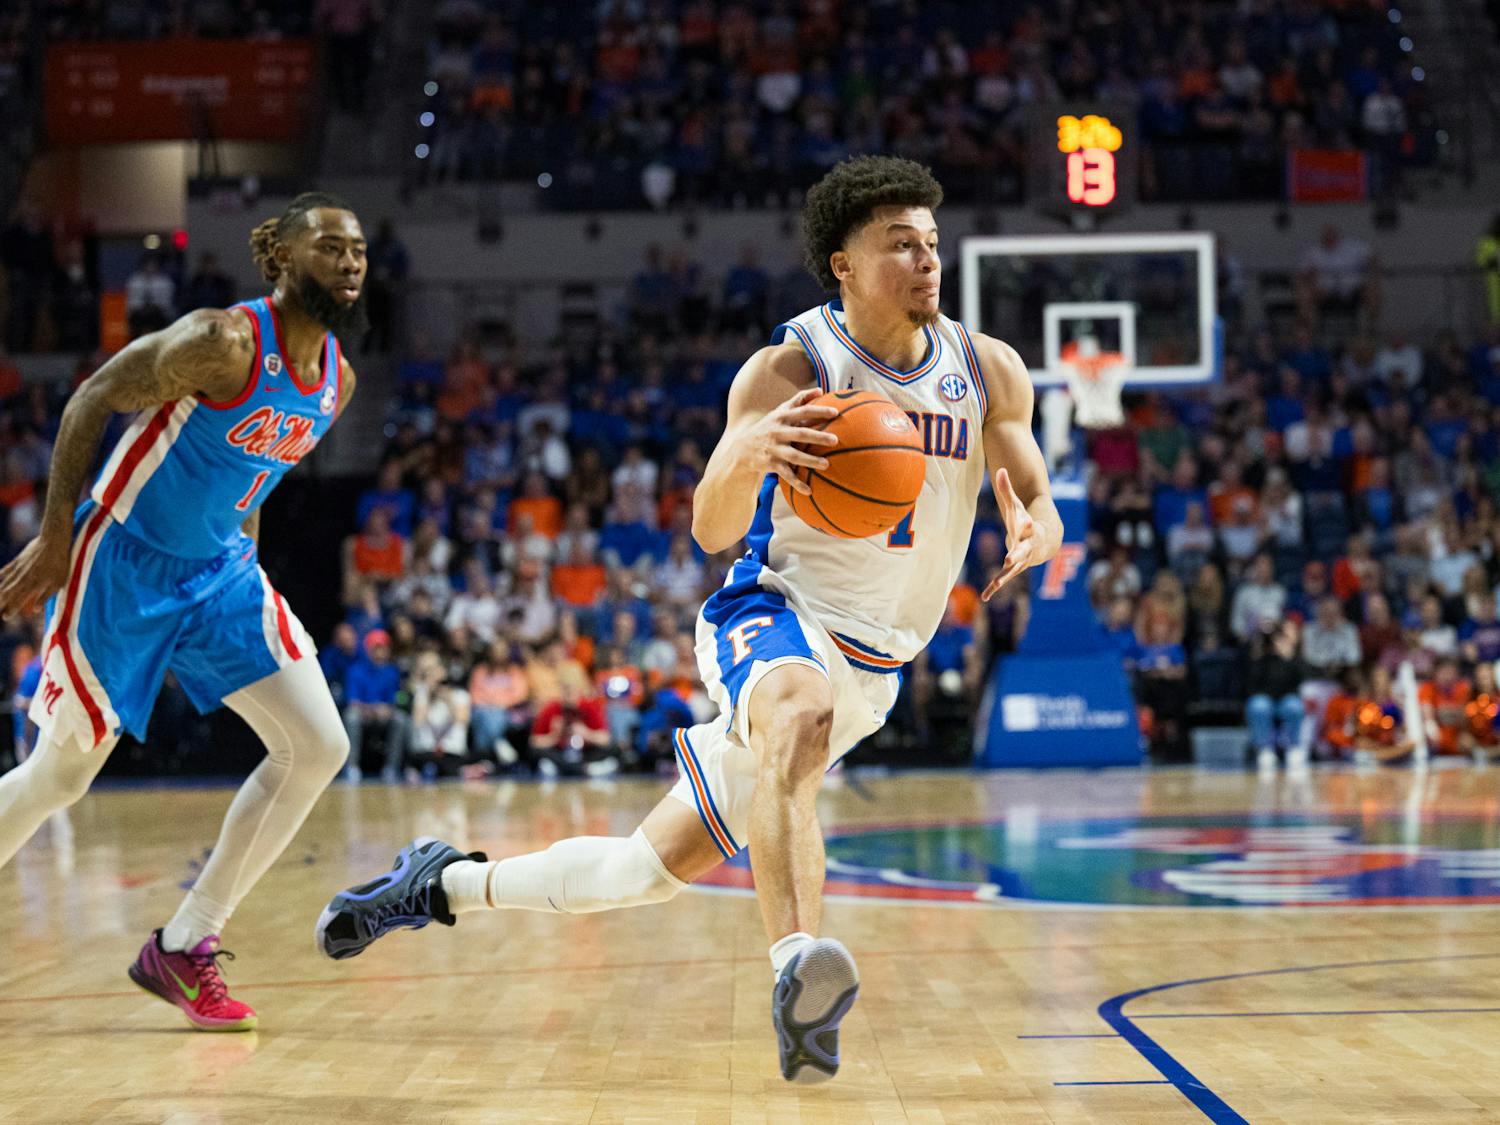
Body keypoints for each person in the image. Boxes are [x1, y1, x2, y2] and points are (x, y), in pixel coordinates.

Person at [317, 156, 1061, 1083]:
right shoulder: (791, 368)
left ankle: (439, 882)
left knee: (640, 872)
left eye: (932, 243)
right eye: (899, 244)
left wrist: (1039, 522)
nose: (926, 260)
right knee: (798, 713)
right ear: (842, 263)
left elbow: (1032, 483)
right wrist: (745, 449)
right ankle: (799, 968)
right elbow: (711, 526)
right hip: (773, 608)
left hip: (876, 663)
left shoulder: (986, 368)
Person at [0, 191, 366, 1032]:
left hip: (223, 573)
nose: (348, 263)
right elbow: (90, 397)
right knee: (60, 777)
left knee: (319, 744)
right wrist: (57, 538)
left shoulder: (337, 381)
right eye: (329, 247)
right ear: (282, 261)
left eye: (358, 252)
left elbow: (256, 477)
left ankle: (185, 940)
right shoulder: (221, 340)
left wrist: (249, 569)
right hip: (124, 561)